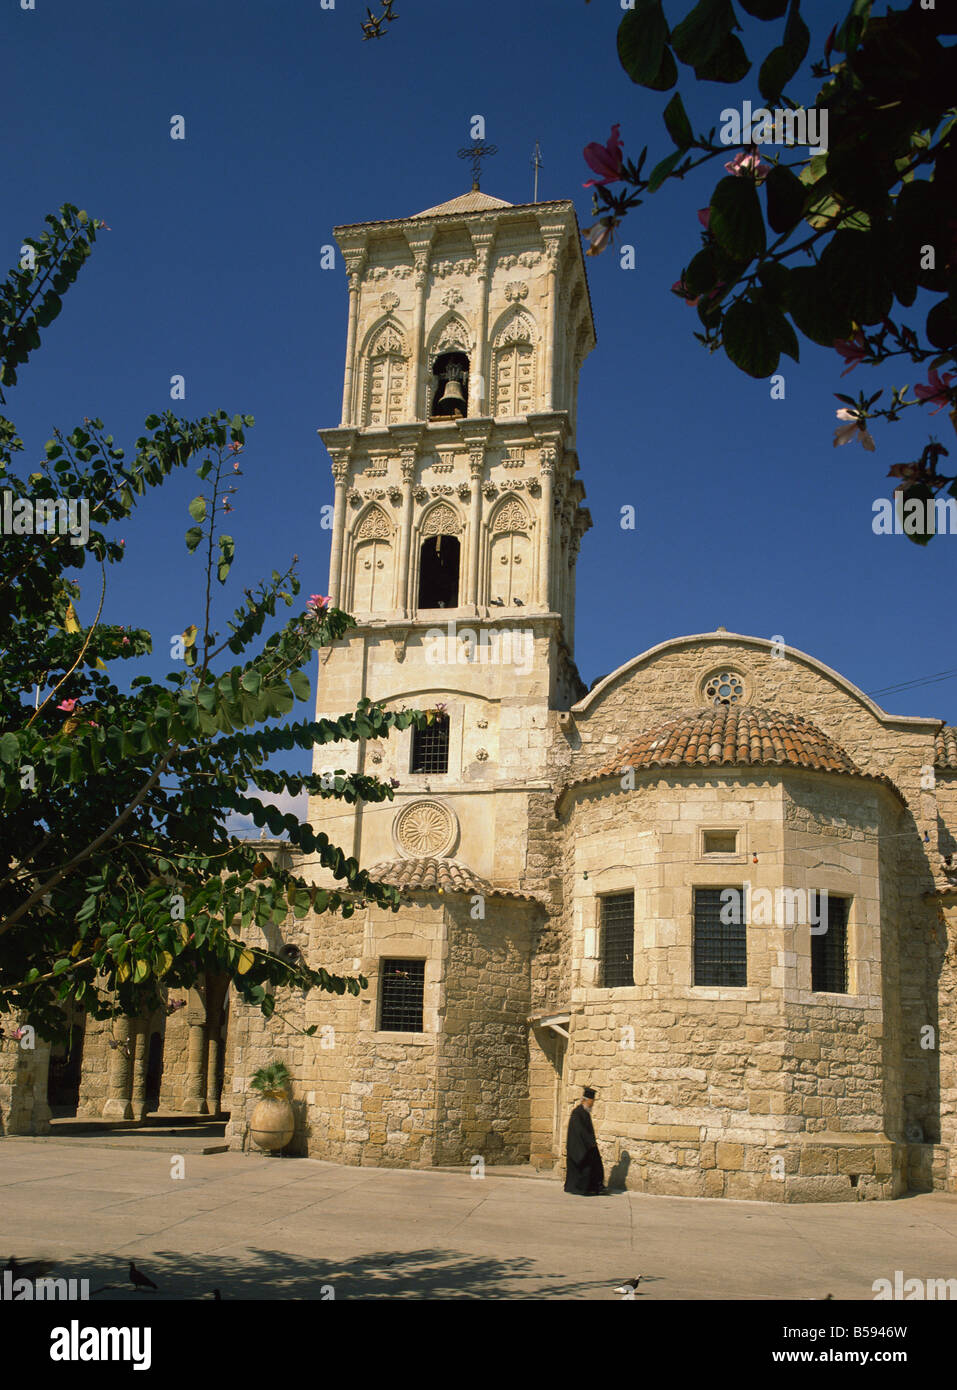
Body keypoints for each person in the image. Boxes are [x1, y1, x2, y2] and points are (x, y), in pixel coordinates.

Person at [564, 1086, 605, 1195]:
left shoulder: (585, 1113)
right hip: (578, 1147)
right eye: (592, 1102)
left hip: (585, 1145)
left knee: (596, 1162)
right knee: (585, 1166)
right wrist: (590, 1143)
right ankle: (580, 1188)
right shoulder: (577, 1113)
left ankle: (595, 1187)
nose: (592, 1104)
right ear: (586, 1100)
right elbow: (580, 1131)